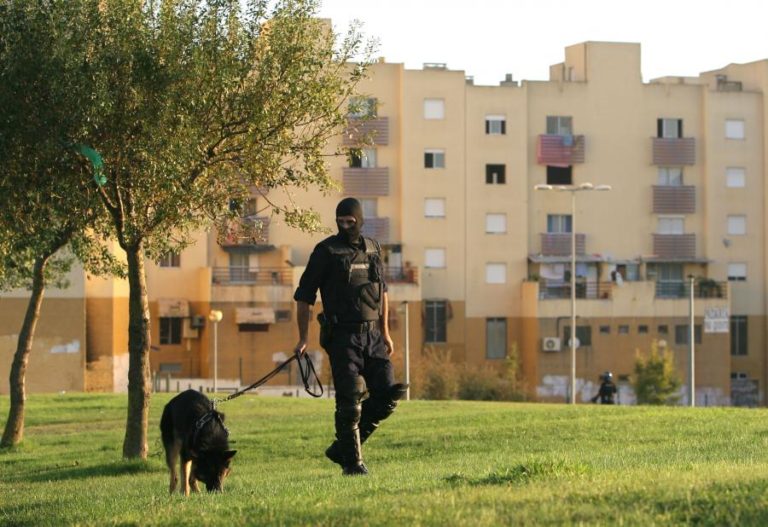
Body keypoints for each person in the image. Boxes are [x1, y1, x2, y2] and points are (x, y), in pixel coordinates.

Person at [293, 197, 407, 476]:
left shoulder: (372, 249)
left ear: (360, 220)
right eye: (340, 222)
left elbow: (383, 293)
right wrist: (302, 337)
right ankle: (352, 463)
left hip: (373, 337)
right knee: (350, 402)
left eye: (350, 222)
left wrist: (386, 333)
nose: (345, 226)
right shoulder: (325, 252)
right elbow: (304, 297)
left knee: (389, 395)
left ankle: (341, 448)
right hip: (342, 337)